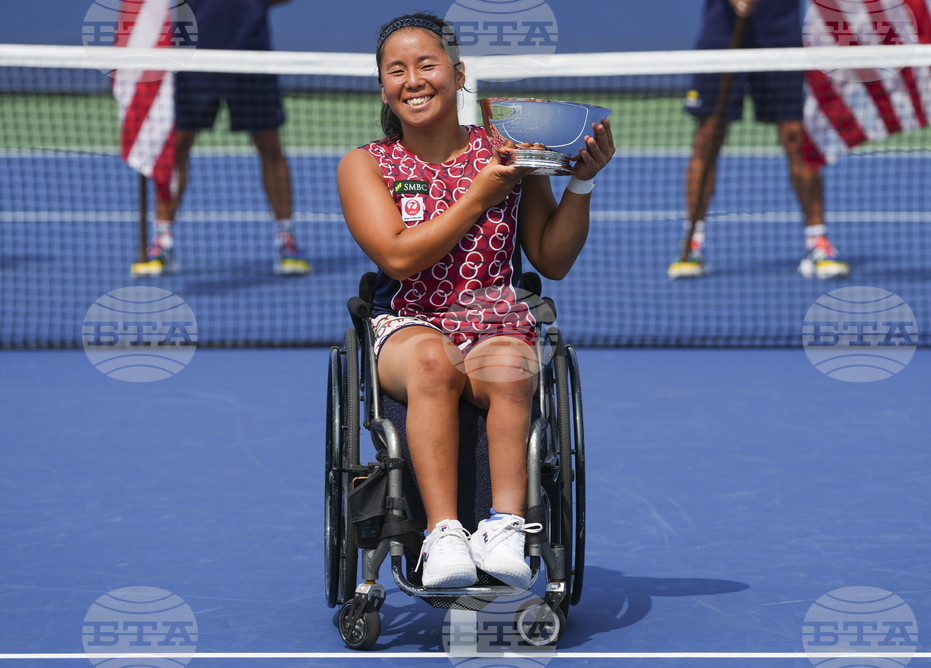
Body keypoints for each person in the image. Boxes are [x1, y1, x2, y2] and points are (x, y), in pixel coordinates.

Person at [336, 12, 614, 588]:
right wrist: (478, 194)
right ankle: (443, 537)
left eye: (427, 65)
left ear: (458, 74)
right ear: (383, 87)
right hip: (407, 323)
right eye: (397, 70)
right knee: (435, 363)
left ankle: (507, 526)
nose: (413, 79)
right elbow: (398, 257)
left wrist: (580, 183)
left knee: (512, 364)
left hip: (495, 318)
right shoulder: (365, 165)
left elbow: (552, 260)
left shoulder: (511, 153)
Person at [667, 0, 850, 280]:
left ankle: (818, 242)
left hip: (779, 31)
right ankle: (692, 242)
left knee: (796, 138)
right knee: (708, 137)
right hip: (723, 32)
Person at [131, 0, 311, 277]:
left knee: (270, 146)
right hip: (191, 55)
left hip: (251, 57)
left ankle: (286, 239)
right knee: (178, 146)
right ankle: (161, 241)